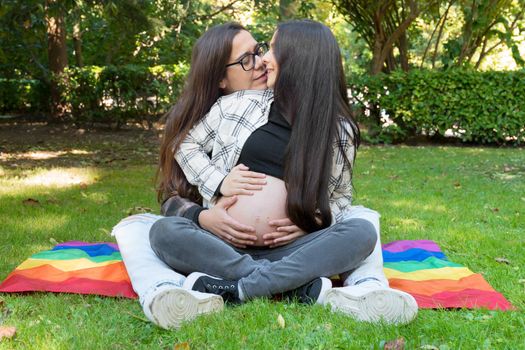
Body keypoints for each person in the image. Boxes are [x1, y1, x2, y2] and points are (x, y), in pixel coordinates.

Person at [149, 20, 418, 324]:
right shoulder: (239, 104)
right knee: (164, 232)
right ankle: (292, 286)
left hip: (292, 249)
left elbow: (341, 196)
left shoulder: (337, 130)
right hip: (226, 246)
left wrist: (314, 221)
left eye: (273, 49)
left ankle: (239, 289)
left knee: (362, 232)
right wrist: (219, 181)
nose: (264, 59)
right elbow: (185, 145)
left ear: (299, 59)